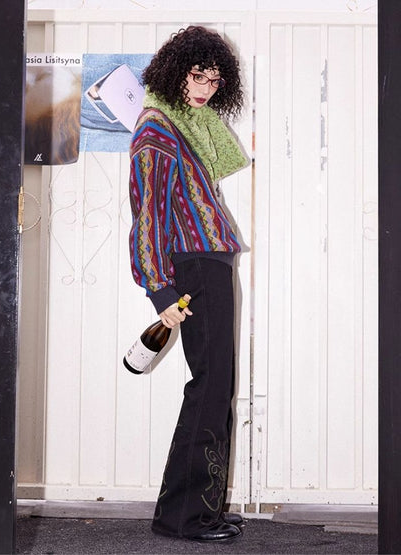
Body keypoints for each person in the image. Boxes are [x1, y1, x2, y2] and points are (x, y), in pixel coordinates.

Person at [128, 25, 248, 543]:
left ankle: (202, 508)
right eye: (197, 76)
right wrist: (160, 292)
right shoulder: (157, 131)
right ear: (176, 72)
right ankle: (184, 517)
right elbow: (148, 217)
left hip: (210, 263)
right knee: (209, 386)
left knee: (217, 385)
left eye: (214, 81)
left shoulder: (188, 127)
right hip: (193, 266)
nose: (204, 88)